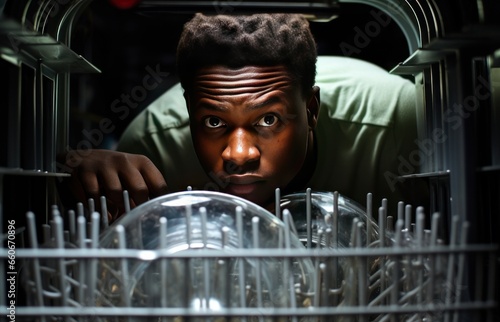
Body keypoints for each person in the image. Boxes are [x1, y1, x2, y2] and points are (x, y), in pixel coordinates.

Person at [59, 13, 420, 221]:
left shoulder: (395, 121)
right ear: (188, 114)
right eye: (214, 122)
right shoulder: (155, 146)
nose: (238, 155)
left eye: (268, 120)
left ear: (311, 111)